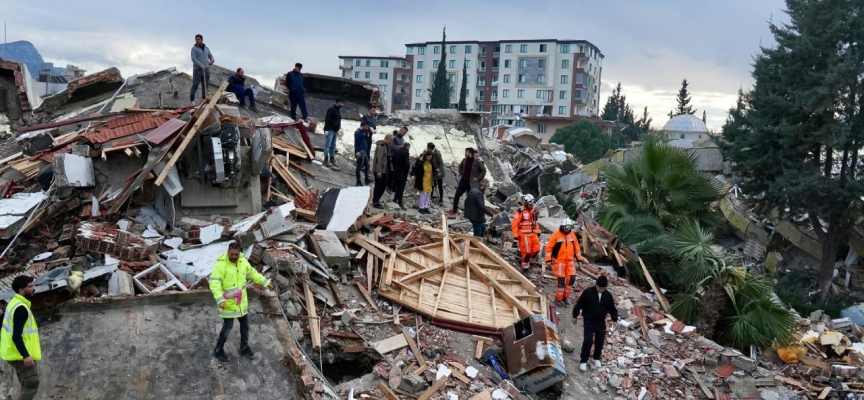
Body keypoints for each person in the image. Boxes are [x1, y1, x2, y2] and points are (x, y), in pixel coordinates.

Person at [209, 242, 272, 362]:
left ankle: (244, 347)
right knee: (228, 326)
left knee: (245, 325)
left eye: (236, 254)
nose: (233, 256)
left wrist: (264, 282)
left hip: (241, 302)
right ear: (228, 251)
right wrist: (220, 299)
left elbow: (252, 273)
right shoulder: (221, 265)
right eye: (231, 254)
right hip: (228, 303)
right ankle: (218, 350)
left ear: (239, 253)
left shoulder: (243, 262)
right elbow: (214, 283)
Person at [1, 276, 40, 400]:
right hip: (18, 353)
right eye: (30, 287)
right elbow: (16, 336)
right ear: (21, 290)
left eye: (33, 285)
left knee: (25, 382)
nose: (34, 288)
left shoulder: (14, 302)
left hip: (11, 352)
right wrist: (26, 355)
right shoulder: (20, 309)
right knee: (32, 382)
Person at [572, 276, 618, 372]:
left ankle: (596, 357)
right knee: (588, 340)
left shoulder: (608, 295)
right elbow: (579, 304)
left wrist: (615, 319)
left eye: (603, 288)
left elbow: (612, 308)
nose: (601, 290)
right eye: (599, 287)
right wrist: (575, 315)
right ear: (596, 285)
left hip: (600, 321)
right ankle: (583, 360)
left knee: (600, 340)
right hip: (589, 320)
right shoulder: (588, 292)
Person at [545, 218, 583, 307]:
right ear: (562, 226)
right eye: (566, 228)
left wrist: (579, 259)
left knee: (571, 279)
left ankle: (565, 297)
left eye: (569, 228)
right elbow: (549, 248)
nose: (567, 230)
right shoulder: (556, 235)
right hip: (559, 262)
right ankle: (558, 299)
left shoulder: (572, 235)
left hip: (570, 261)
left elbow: (576, 248)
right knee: (561, 281)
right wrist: (548, 260)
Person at [448, 148, 487, 216]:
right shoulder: (464, 160)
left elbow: (483, 170)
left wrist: (477, 178)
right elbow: (460, 167)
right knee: (457, 195)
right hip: (463, 181)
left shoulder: (477, 162)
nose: (465, 153)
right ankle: (454, 210)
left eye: (466, 152)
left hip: (471, 183)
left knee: (469, 198)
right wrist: (461, 174)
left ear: (470, 153)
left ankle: (468, 213)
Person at [512, 194, 540, 274]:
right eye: (530, 204)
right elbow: (515, 224)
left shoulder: (533, 211)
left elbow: (536, 223)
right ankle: (524, 269)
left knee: (537, 249)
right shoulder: (519, 212)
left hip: (533, 234)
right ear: (526, 203)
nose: (531, 205)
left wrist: (537, 232)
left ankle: (527, 260)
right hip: (524, 235)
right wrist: (516, 236)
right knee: (527, 252)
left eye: (532, 204)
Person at [190, 34, 214, 104]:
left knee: (205, 84)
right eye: (196, 40)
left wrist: (212, 60)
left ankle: (204, 98)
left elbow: (210, 55)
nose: (197, 41)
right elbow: (193, 58)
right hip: (198, 69)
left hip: (206, 68)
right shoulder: (194, 49)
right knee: (195, 84)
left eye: (198, 39)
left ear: (202, 40)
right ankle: (192, 100)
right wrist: (200, 65)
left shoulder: (206, 48)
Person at [371, 134, 394, 209]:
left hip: (383, 169)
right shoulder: (381, 146)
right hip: (380, 170)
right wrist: (378, 171)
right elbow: (379, 159)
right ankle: (375, 201)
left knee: (383, 184)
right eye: (391, 141)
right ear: (387, 139)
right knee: (379, 185)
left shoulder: (385, 146)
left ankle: (376, 199)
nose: (391, 142)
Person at [322, 98, 344, 171]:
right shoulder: (331, 109)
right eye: (341, 103)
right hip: (330, 129)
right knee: (328, 144)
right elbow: (327, 119)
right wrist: (326, 129)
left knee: (333, 145)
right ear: (337, 103)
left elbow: (338, 121)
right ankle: (325, 159)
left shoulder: (338, 110)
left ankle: (332, 158)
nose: (342, 105)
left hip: (335, 130)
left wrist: (337, 129)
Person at [387, 126, 409, 193]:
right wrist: (400, 147)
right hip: (391, 156)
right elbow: (392, 146)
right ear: (401, 131)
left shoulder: (402, 139)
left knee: (395, 172)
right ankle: (388, 186)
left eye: (405, 133)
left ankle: (394, 187)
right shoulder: (394, 137)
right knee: (391, 172)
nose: (404, 134)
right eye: (404, 132)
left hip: (398, 158)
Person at [390, 142, 411, 210]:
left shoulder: (396, 152)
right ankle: (400, 202)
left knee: (396, 187)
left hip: (396, 172)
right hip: (402, 173)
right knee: (401, 188)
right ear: (408, 147)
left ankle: (395, 199)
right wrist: (406, 173)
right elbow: (407, 164)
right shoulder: (406, 153)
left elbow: (392, 160)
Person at [360, 107, 378, 183]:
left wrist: (373, 130)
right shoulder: (365, 117)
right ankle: (361, 166)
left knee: (367, 153)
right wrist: (369, 129)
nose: (374, 112)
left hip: (369, 138)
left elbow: (374, 128)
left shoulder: (373, 119)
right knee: (363, 152)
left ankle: (365, 167)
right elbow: (362, 126)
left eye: (375, 110)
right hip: (364, 137)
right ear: (370, 110)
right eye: (373, 110)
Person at [354, 121, 371, 186]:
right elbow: (356, 143)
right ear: (363, 126)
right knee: (359, 166)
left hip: (364, 151)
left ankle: (366, 179)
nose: (367, 128)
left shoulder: (364, 132)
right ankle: (358, 181)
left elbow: (366, 139)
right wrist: (357, 152)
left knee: (367, 165)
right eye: (366, 127)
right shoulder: (357, 132)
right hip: (360, 151)